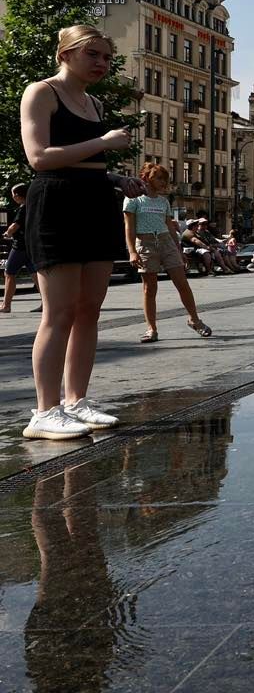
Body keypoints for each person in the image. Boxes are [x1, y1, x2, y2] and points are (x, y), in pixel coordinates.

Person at [19, 25, 145, 440]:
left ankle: (76, 401)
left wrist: (113, 177)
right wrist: (104, 144)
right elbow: (39, 158)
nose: (101, 63)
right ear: (66, 53)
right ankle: (44, 410)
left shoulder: (93, 102)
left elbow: (82, 160)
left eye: (107, 57)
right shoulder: (42, 92)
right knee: (59, 312)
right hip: (56, 202)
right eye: (92, 54)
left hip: (94, 200)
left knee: (90, 308)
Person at [123, 162, 212, 342]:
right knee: (150, 288)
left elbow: (171, 228)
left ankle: (194, 320)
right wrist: (132, 251)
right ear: (146, 178)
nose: (164, 182)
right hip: (146, 244)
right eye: (159, 178)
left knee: (182, 283)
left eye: (166, 179)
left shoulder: (163, 202)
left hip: (166, 242)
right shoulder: (133, 199)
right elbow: (129, 228)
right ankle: (151, 329)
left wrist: (179, 250)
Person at [3, 184, 30, 313]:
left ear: (18, 195)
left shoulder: (23, 208)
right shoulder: (32, 206)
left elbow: (15, 226)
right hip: (30, 245)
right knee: (35, 275)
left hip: (19, 246)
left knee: (9, 273)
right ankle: (46, 304)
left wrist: (8, 233)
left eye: (13, 194)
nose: (13, 196)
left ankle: (6, 305)